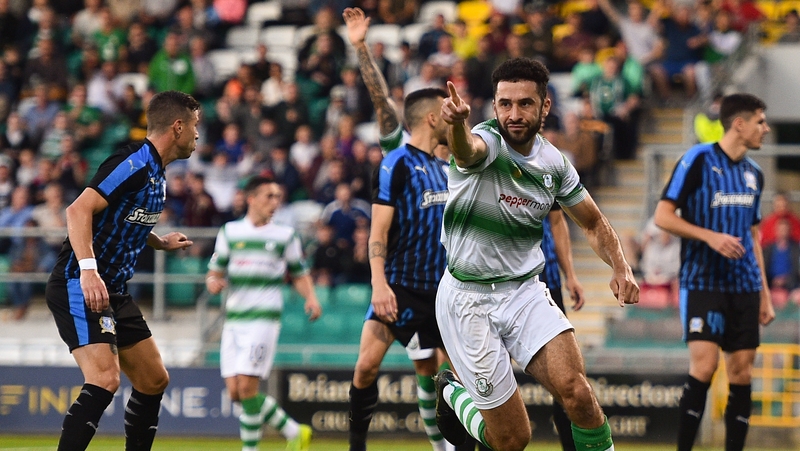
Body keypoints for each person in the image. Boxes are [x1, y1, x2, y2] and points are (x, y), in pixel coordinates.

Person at [434, 58, 639, 451]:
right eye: (505, 104)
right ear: (494, 106)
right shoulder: (486, 142)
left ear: (545, 106)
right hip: (468, 300)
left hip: (524, 292)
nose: (513, 114)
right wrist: (456, 125)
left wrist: (620, 266)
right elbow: (466, 151)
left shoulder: (554, 164)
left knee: (579, 394)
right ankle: (452, 393)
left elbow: (593, 223)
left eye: (525, 103)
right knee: (512, 440)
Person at [44, 90, 200, 451]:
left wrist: (158, 242)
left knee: (153, 379)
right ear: (177, 126)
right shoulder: (133, 162)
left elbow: (123, 218)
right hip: (78, 282)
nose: (197, 134)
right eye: (194, 125)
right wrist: (88, 271)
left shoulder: (157, 174)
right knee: (104, 378)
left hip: (113, 288)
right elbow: (78, 210)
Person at [343, 8, 452, 451]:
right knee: (366, 367)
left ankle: (446, 447)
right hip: (400, 286)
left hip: (442, 291)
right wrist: (360, 47)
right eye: (445, 113)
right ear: (430, 118)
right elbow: (382, 102)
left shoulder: (449, 168)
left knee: (437, 373)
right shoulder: (398, 157)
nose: (452, 118)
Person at [653, 93, 775, 451]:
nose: (766, 129)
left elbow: (753, 237)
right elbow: (663, 216)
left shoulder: (755, 174)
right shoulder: (698, 160)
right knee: (705, 367)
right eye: (760, 121)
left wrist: (765, 295)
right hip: (702, 281)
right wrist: (710, 237)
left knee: (742, 372)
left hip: (745, 285)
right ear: (739, 124)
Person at [205, 175, 321, 451]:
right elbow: (214, 273)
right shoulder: (230, 232)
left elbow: (299, 273)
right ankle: (295, 431)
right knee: (236, 393)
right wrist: (213, 283)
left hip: (263, 321)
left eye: (278, 197)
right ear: (251, 199)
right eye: (269, 196)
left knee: (247, 388)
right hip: (234, 320)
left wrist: (311, 298)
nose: (275, 202)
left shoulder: (285, 235)